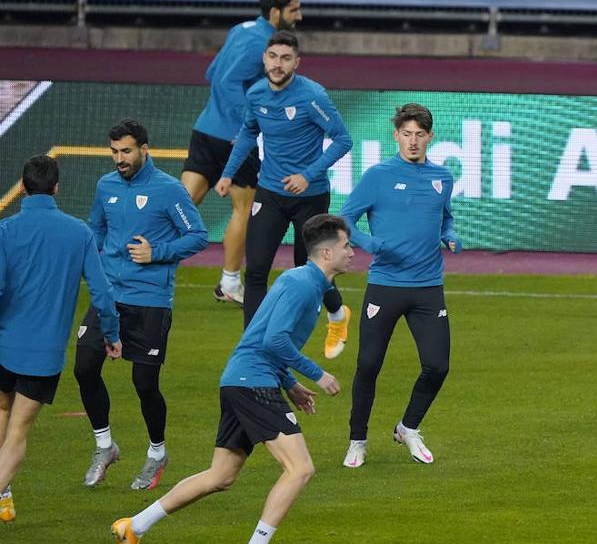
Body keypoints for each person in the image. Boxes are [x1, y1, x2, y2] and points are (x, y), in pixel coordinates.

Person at [111, 214, 347, 544]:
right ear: (326, 253)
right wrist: (316, 373)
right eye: (346, 246)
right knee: (300, 469)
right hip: (253, 383)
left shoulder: (305, 282)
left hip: (242, 379)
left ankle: (134, 526)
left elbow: (262, 337)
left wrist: (290, 384)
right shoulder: (303, 286)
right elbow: (273, 341)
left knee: (221, 476)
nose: (351, 252)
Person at [75, 120, 208, 491]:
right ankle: (105, 446)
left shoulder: (169, 190)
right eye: (115, 152)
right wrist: (96, 267)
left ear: (144, 149)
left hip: (150, 300)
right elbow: (96, 230)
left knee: (144, 382)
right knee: (84, 368)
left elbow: (197, 235)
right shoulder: (106, 186)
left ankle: (156, 453)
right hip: (109, 297)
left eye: (127, 151)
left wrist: (158, 253)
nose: (120, 159)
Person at [215, 30, 354, 358]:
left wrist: (307, 176)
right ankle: (252, 347)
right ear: (265, 59)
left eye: (286, 58)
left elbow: (342, 139)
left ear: (297, 62)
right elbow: (249, 132)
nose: (278, 64)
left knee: (309, 271)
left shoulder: (312, 96)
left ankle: (337, 315)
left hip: (311, 197)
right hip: (270, 193)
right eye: (273, 57)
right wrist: (226, 174)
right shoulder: (257, 94)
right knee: (257, 269)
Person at [338, 103, 461, 469]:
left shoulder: (443, 177)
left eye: (419, 135)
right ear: (396, 136)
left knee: (438, 366)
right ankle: (357, 440)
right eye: (406, 134)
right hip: (385, 285)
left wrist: (449, 235)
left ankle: (408, 427)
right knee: (368, 364)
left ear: (430, 137)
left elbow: (446, 219)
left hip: (428, 288)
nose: (413, 141)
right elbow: (345, 218)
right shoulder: (378, 175)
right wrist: (368, 243)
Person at [0, 156, 121, 524]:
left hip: (4, 346)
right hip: (43, 355)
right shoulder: (79, 232)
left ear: (22, 187)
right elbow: (101, 293)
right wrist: (112, 335)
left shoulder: (5, 230)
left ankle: (4, 495)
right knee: (17, 433)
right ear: (56, 187)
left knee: (2, 419)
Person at [181, 0, 302, 304]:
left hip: (205, 127)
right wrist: (250, 119)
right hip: (234, 137)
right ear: (276, 12)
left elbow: (212, 73)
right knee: (244, 208)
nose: (299, 16)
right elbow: (228, 80)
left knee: (180, 204)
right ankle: (230, 283)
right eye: (294, 9)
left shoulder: (240, 29)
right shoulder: (262, 43)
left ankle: (133, 261)